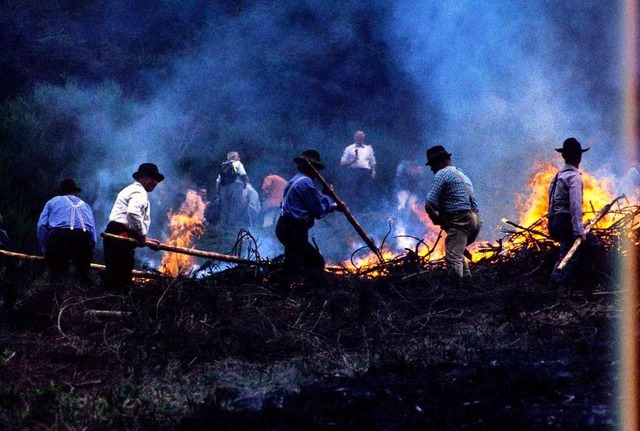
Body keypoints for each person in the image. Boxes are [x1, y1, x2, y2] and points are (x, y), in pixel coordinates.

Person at [275, 150, 340, 286]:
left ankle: (294, 286)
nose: (317, 173)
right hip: (294, 229)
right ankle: (292, 292)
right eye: (315, 168)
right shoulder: (306, 183)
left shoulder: (295, 180)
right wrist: (333, 203)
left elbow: (315, 200)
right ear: (310, 167)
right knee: (312, 263)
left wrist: (326, 196)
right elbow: (317, 209)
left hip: (285, 227)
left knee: (304, 260)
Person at [424, 145, 481, 286]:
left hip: (461, 220)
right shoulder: (461, 173)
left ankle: (455, 291)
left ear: (441, 161)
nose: (431, 168)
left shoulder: (442, 174)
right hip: (475, 219)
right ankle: (468, 285)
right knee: (457, 252)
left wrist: (436, 219)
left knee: (452, 258)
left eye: (432, 164)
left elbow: (429, 203)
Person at [103, 163, 164, 291]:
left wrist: (144, 238)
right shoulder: (138, 191)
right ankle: (119, 305)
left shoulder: (132, 190)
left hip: (118, 233)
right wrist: (142, 235)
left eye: (156, 179)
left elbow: (130, 221)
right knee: (122, 273)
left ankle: (112, 301)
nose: (154, 182)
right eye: (151, 178)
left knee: (115, 272)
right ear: (141, 177)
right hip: (120, 234)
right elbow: (133, 213)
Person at [547, 137, 593, 286]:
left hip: (555, 222)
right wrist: (579, 230)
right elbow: (575, 206)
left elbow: (550, 204)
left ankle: (578, 281)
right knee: (567, 257)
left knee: (589, 244)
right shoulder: (574, 177)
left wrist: (551, 224)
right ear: (579, 157)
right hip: (566, 223)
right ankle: (555, 285)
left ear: (563, 156)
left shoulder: (557, 177)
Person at [37, 178, 97, 286]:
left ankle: (57, 298)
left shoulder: (52, 202)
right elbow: (92, 232)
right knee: (83, 276)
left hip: (60, 237)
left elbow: (41, 226)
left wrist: (45, 249)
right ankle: (85, 298)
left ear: (61, 192)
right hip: (83, 238)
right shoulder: (86, 206)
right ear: (75, 192)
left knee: (58, 276)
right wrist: (90, 249)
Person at [340, 130, 377, 209]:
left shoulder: (368, 149)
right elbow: (342, 162)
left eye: (362, 137)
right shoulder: (349, 148)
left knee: (365, 192)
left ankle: (363, 210)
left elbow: (373, 161)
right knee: (352, 192)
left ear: (364, 138)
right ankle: (350, 209)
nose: (360, 139)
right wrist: (352, 161)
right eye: (358, 137)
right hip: (354, 171)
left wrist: (373, 171)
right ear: (355, 138)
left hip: (365, 172)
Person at [215, 151, 249, 227]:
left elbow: (217, 181)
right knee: (234, 207)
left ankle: (222, 226)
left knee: (224, 208)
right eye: (237, 156)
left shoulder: (223, 165)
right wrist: (245, 185)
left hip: (224, 188)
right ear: (233, 157)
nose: (239, 158)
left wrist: (217, 193)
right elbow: (243, 175)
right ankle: (231, 227)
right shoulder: (238, 163)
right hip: (236, 187)